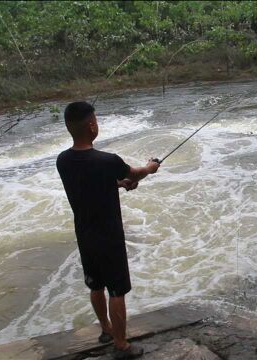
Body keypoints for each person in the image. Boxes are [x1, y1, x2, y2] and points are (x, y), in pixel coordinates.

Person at [56, 101, 159, 359]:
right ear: (92, 126)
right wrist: (150, 167)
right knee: (117, 290)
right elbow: (136, 173)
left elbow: (89, 182)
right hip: (109, 236)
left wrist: (118, 184)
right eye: (96, 120)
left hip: (85, 234)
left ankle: (105, 329)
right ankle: (121, 345)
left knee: (96, 285)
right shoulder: (107, 160)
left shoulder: (63, 161)